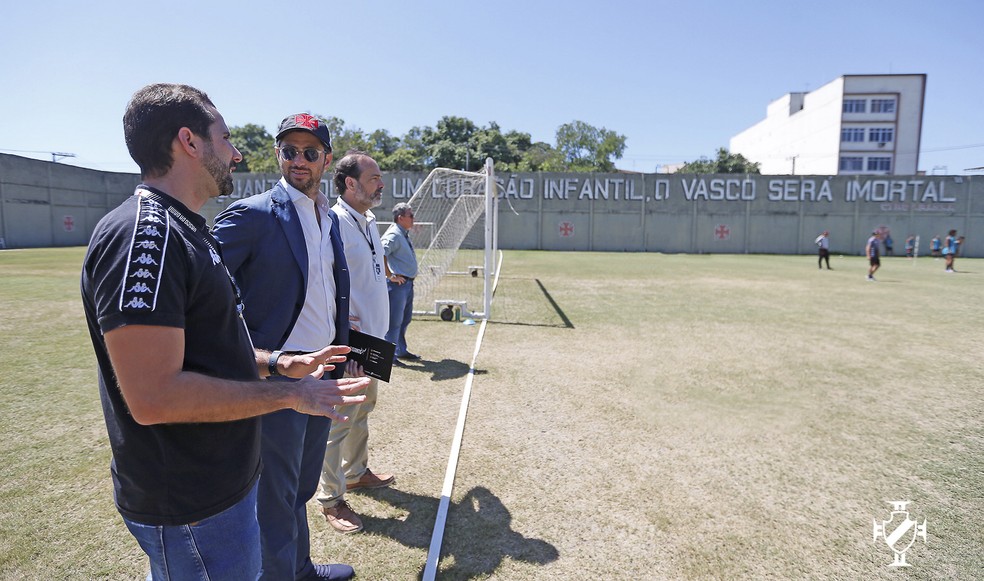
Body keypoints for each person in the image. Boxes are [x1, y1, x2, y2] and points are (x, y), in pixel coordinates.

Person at [80, 84, 367, 581]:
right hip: (190, 500)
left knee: (290, 496)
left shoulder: (185, 228)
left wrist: (278, 363)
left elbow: (212, 340)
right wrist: (288, 393)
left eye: (310, 151)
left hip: (220, 481)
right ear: (189, 142)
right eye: (227, 138)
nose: (236, 153)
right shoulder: (146, 236)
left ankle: (296, 568)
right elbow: (154, 397)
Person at [211, 114, 359, 581]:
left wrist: (346, 349)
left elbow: (328, 293)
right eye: (289, 151)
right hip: (279, 378)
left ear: (326, 160)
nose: (298, 160)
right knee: (274, 496)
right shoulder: (252, 214)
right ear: (277, 155)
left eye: (309, 152)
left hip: (323, 372)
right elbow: (202, 291)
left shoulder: (328, 218)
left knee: (301, 487)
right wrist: (261, 358)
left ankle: (298, 568)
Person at [316, 151, 397, 534]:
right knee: (339, 422)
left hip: (374, 341)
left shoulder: (368, 220)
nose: (381, 184)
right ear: (350, 183)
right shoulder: (333, 222)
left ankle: (356, 473)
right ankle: (330, 498)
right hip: (351, 344)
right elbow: (323, 282)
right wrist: (343, 337)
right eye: (374, 178)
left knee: (363, 410)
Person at [382, 202, 420, 361]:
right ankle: (389, 356)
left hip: (407, 284)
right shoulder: (394, 234)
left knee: (405, 319)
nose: (413, 218)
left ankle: (400, 350)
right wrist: (390, 275)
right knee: (394, 322)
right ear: (400, 218)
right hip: (397, 286)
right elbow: (380, 252)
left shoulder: (402, 233)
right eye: (411, 215)